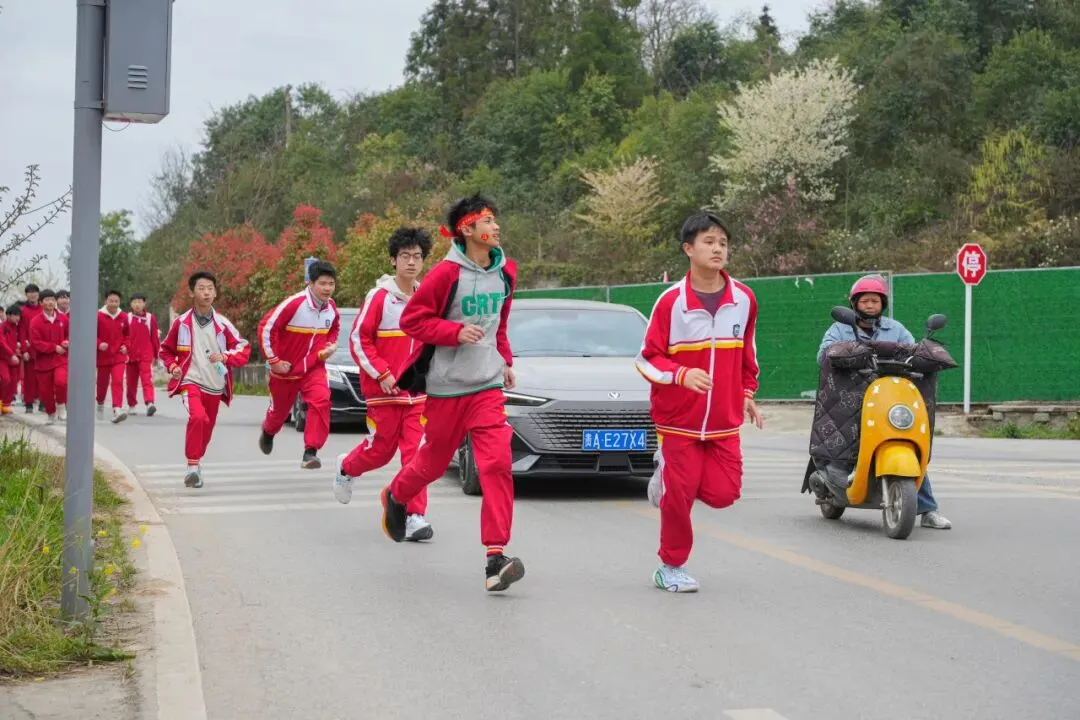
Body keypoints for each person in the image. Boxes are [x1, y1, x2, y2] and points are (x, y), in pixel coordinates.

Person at [378, 194, 525, 593]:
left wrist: (506, 360)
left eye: (496, 220)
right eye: (489, 221)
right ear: (467, 228)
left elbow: (500, 324)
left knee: (496, 463)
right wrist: (453, 332)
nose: (496, 227)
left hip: (488, 385)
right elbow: (413, 320)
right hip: (446, 387)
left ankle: (496, 557)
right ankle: (396, 493)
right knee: (433, 462)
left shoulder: (506, 271)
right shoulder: (446, 274)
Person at [636, 212, 763, 594]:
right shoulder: (671, 302)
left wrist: (746, 393)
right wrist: (680, 375)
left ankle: (667, 480)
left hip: (723, 421)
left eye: (723, 242)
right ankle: (670, 565)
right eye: (709, 242)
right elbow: (647, 359)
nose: (718, 249)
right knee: (679, 497)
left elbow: (747, 354)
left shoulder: (744, 299)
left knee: (724, 494)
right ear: (688, 249)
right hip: (678, 420)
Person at [815, 273, 952, 530]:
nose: (870, 305)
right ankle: (840, 475)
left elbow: (914, 349)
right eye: (865, 300)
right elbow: (823, 354)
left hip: (889, 396)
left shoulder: (895, 328)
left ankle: (928, 510)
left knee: (908, 442)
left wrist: (926, 354)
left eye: (875, 301)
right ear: (854, 304)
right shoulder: (840, 328)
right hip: (852, 396)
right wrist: (848, 353)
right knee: (849, 434)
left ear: (882, 305)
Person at [333, 227, 433, 542]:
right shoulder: (380, 297)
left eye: (418, 257)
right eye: (405, 256)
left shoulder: (426, 298)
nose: (412, 262)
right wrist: (383, 373)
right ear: (393, 260)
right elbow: (358, 339)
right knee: (381, 451)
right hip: (383, 393)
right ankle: (347, 468)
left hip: (416, 395)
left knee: (416, 454)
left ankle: (414, 515)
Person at [160, 271, 252, 488]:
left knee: (207, 428)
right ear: (192, 292)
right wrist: (173, 366)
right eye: (201, 288)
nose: (207, 292)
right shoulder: (181, 323)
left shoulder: (222, 324)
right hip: (190, 381)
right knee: (198, 418)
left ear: (215, 293)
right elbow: (165, 350)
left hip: (215, 385)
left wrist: (225, 356)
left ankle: (196, 462)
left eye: (210, 288)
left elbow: (244, 348)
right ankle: (192, 467)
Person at [256, 260, 341, 469]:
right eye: (322, 283)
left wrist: (329, 345)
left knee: (321, 401)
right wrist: (274, 361)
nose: (327, 288)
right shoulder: (294, 304)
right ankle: (268, 432)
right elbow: (266, 328)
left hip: (313, 367)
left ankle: (310, 452)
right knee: (280, 413)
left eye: (331, 283)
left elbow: (334, 329)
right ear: (310, 283)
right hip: (286, 370)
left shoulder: (331, 308)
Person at [28, 290, 69, 424]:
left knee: (61, 382)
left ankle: (62, 406)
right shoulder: (35, 321)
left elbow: (70, 334)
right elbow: (35, 342)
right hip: (43, 362)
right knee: (45, 392)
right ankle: (51, 413)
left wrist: (66, 342)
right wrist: (53, 347)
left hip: (60, 359)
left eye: (52, 299)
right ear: (41, 303)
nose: (50, 302)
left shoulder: (63, 318)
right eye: (47, 300)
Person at [96, 289, 130, 423]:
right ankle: (99, 403)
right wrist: (99, 344)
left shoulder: (124, 317)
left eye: (116, 301)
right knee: (102, 384)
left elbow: (128, 335)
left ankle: (117, 409)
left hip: (118, 356)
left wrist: (126, 346)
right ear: (106, 301)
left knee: (117, 381)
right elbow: (93, 334)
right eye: (111, 301)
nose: (114, 304)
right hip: (103, 356)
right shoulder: (98, 316)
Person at [126, 292, 160, 416]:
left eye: (140, 302)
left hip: (146, 355)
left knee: (147, 379)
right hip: (130, 356)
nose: (137, 304)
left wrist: (156, 355)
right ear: (131, 304)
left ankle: (150, 403)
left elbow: (154, 338)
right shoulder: (127, 318)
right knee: (131, 382)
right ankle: (131, 405)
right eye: (135, 302)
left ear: (144, 303)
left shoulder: (150, 318)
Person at [18, 283, 42, 413]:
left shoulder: (43, 309)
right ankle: (28, 403)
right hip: (29, 348)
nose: (32, 294)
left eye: (35, 292)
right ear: (26, 295)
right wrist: (24, 350)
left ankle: (43, 402)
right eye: (30, 292)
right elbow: (21, 332)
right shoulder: (23, 311)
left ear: (38, 294)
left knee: (43, 377)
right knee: (29, 378)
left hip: (43, 349)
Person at [1, 304, 21, 415]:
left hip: (14, 359)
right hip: (3, 358)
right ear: (8, 315)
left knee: (14, 381)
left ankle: (6, 404)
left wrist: (19, 351)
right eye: (14, 315)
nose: (17, 318)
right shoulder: (3, 326)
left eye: (18, 315)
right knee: (5, 379)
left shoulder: (17, 328)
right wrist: (11, 354)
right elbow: (2, 342)